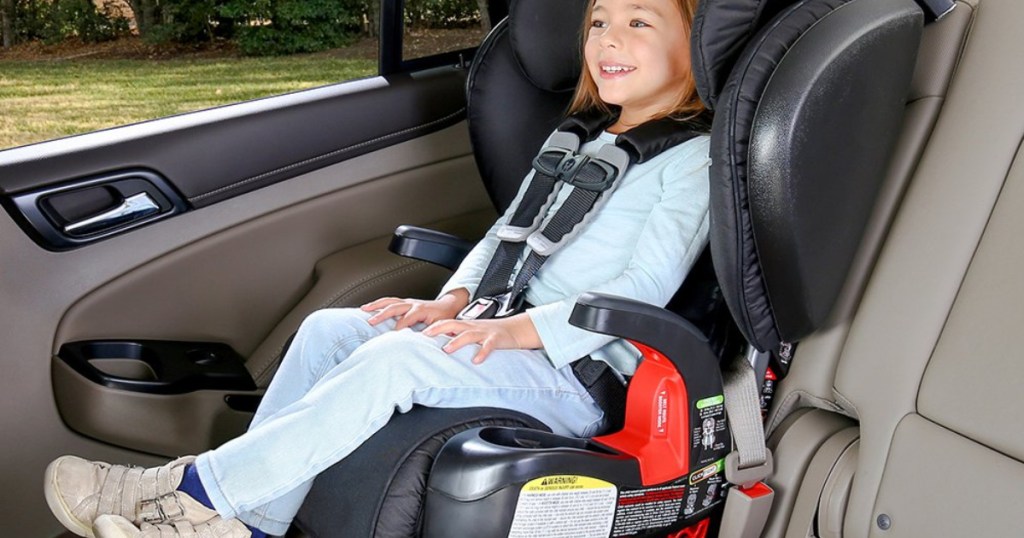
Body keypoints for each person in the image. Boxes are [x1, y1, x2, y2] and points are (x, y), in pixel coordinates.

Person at [44, 0, 711, 536]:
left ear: (696, 46)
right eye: (598, 22)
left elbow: (642, 290)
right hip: (501, 332)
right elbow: (507, 238)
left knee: (395, 361)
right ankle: (245, 518)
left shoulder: (690, 162)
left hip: (576, 375)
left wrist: (518, 332)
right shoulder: (585, 141)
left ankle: (194, 494)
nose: (609, 39)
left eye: (639, 23)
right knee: (332, 331)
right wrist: (450, 303)